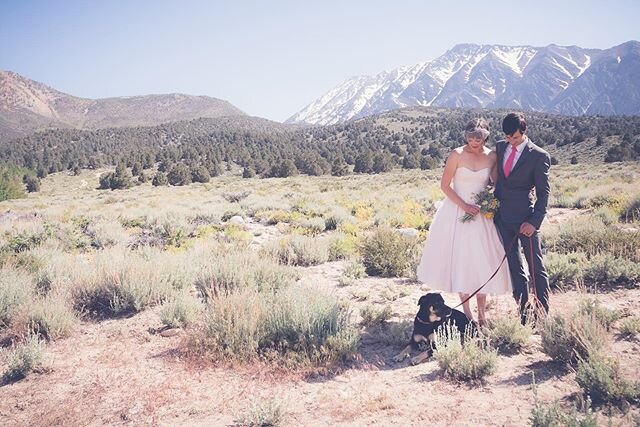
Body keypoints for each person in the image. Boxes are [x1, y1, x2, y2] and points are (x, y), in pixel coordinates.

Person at [416, 118, 511, 327]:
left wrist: (487, 201)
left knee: (482, 263)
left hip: (481, 216)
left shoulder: (492, 156)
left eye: (478, 137)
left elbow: (494, 184)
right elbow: (445, 186)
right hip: (457, 214)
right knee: (462, 262)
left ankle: (482, 315)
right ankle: (467, 313)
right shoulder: (456, 155)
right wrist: (464, 206)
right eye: (470, 136)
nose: (474, 141)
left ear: (486, 136)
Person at [494, 112, 551, 325]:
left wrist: (534, 222)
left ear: (524, 132)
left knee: (535, 266)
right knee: (514, 267)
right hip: (503, 219)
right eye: (508, 137)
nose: (511, 141)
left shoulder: (538, 155)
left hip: (526, 220)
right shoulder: (500, 147)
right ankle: (524, 313)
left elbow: (544, 194)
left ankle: (542, 314)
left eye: (515, 137)